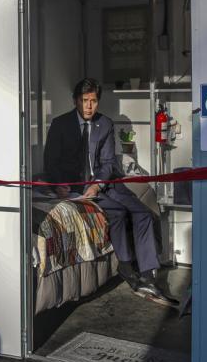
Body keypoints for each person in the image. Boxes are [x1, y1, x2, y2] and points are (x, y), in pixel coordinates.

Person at [43, 77, 178, 307]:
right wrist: (57, 184)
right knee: (115, 215)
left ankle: (147, 275)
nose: (88, 106)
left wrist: (97, 184)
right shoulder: (60, 124)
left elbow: (107, 163)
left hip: (104, 183)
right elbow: (50, 162)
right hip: (74, 187)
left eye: (93, 101)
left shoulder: (104, 124)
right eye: (84, 101)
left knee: (143, 213)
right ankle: (126, 265)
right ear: (76, 100)